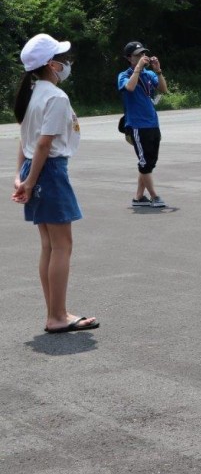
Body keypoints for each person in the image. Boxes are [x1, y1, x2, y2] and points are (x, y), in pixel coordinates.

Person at [11, 34, 99, 334]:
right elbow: (44, 145)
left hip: (36, 171)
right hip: (49, 172)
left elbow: (25, 142)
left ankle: (56, 312)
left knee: (49, 245)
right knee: (62, 245)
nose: (66, 63)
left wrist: (20, 177)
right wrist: (30, 181)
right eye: (62, 58)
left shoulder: (33, 95)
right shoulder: (56, 97)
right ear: (51, 64)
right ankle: (57, 316)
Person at [118, 41, 168, 208]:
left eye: (143, 54)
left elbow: (163, 89)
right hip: (137, 125)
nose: (142, 57)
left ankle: (139, 197)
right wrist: (138, 69)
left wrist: (158, 70)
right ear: (129, 58)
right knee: (145, 162)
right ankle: (154, 196)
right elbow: (130, 88)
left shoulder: (148, 74)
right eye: (138, 54)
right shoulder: (124, 75)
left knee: (149, 161)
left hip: (152, 122)